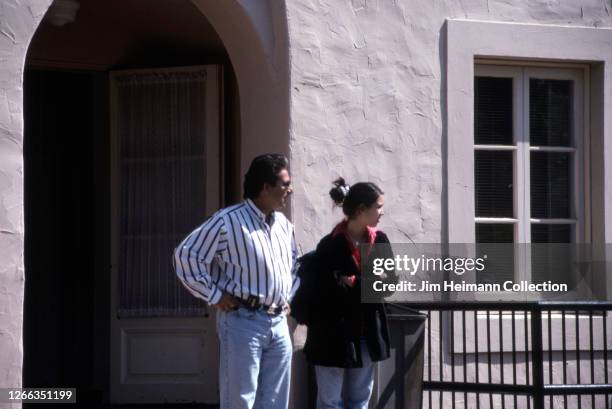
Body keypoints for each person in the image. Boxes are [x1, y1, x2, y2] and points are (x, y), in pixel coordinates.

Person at [174, 154, 299, 409]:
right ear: (265, 187)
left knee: (275, 403)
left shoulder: (284, 225)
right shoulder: (228, 221)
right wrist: (214, 295)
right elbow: (187, 255)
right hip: (244, 322)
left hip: (278, 323)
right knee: (240, 401)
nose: (290, 189)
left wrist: (289, 296)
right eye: (285, 184)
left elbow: (295, 265)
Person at [304, 177, 396, 409]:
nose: (382, 212)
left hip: (367, 331)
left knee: (359, 400)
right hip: (331, 334)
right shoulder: (331, 244)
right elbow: (328, 291)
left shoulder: (380, 240)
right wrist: (370, 283)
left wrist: (355, 282)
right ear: (361, 209)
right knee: (329, 401)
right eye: (379, 207)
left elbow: (390, 283)